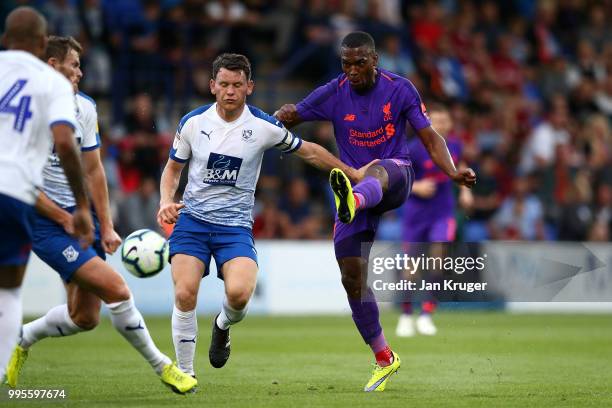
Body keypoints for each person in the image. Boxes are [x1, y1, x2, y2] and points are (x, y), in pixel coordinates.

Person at [275, 31, 476, 392]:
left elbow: (430, 137)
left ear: (374, 60)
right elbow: (293, 116)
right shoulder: (334, 92)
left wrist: (451, 171)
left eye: (359, 62)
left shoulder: (400, 89)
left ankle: (353, 201)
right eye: (346, 63)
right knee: (352, 279)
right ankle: (384, 357)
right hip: (355, 192)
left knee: (379, 168)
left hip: (396, 176)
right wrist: (284, 115)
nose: (352, 70)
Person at [157, 53, 374, 384]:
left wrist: (350, 172)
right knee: (185, 292)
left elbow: (310, 151)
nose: (230, 91)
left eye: (237, 84)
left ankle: (223, 325)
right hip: (193, 222)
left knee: (239, 296)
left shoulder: (263, 127)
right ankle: (186, 374)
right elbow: (173, 169)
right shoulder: (192, 123)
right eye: (224, 84)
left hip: (235, 228)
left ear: (250, 87)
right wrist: (165, 201)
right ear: (212, 86)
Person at [5, 35, 196, 394]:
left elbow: (93, 171)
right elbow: (20, 182)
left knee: (85, 317)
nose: (81, 72)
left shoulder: (84, 108)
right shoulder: (24, 113)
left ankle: (21, 338)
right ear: (52, 66)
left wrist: (105, 225)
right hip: (44, 222)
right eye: (75, 65)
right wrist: (64, 218)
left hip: (82, 217)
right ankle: (164, 367)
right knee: (116, 288)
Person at [0, 7, 92, 383]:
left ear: (5, 40)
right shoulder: (51, 83)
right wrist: (82, 206)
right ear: (41, 45)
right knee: (7, 292)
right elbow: (66, 146)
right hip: (14, 194)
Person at [396, 104, 474, 338]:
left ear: (449, 124)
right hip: (416, 215)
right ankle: (406, 314)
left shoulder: (455, 146)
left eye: (444, 121)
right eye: (435, 120)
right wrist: (416, 186)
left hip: (442, 212)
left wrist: (465, 189)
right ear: (428, 122)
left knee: (438, 258)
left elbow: (458, 164)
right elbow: (399, 178)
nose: (439, 125)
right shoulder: (414, 149)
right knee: (411, 267)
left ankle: (427, 313)